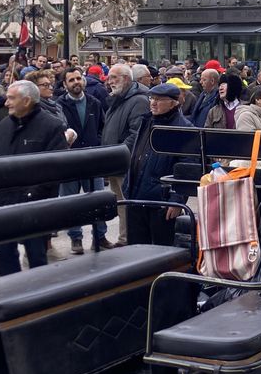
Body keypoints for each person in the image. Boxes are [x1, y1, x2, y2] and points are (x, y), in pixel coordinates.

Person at [0, 81, 69, 274]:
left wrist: (32, 196)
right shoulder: (3, 125)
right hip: (4, 204)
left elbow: (54, 169)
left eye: (11, 98)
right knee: (4, 254)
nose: (6, 103)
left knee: (37, 258)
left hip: (35, 207)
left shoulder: (51, 126)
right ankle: (11, 294)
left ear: (26, 101)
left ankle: (39, 298)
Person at [125, 84, 193, 245]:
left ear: (174, 103)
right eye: (152, 98)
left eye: (159, 100)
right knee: (136, 248)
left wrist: (177, 200)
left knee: (162, 250)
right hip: (135, 196)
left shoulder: (184, 128)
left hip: (162, 202)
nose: (153, 103)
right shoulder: (147, 120)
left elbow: (187, 167)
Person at [57, 67, 110, 254]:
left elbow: (103, 127)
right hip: (69, 161)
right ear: (65, 84)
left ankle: (100, 236)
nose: (76, 82)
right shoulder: (59, 105)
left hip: (92, 159)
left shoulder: (94, 102)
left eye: (78, 78)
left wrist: (98, 144)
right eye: (71, 80)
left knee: (97, 199)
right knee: (71, 202)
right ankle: (76, 238)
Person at [101, 64, 150, 247]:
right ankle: (125, 238)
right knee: (121, 204)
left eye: (114, 77)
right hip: (116, 162)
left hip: (125, 163)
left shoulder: (138, 101)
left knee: (126, 204)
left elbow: (136, 133)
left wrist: (118, 154)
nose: (109, 81)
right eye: (109, 77)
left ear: (126, 79)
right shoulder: (118, 98)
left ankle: (127, 239)